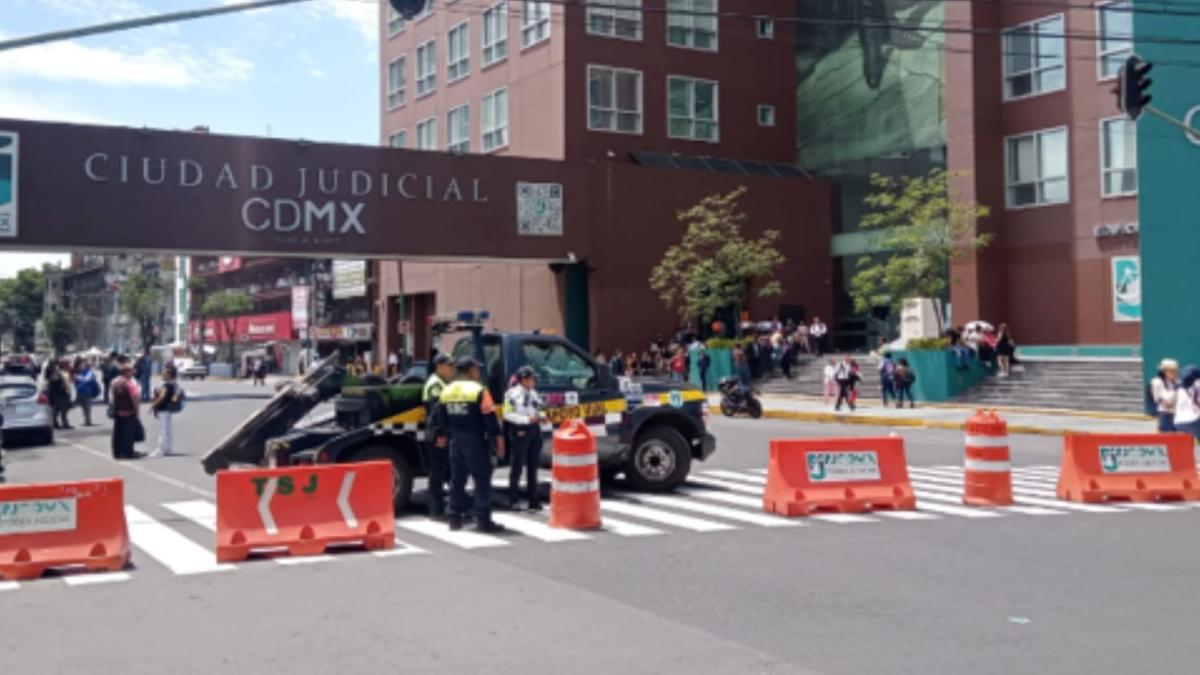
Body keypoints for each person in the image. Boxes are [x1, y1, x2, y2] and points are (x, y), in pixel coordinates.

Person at [432, 357, 505, 533]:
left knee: (457, 480)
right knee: (481, 480)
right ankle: (483, 520)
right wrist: (499, 440)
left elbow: (439, 419)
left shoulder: (447, 390)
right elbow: (490, 419)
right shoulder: (479, 390)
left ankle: (454, 518)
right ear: (471, 370)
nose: (478, 372)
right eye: (476, 368)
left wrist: (441, 435)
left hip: (455, 441)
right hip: (476, 441)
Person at [504, 366, 544, 511]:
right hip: (520, 429)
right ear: (524, 379)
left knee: (533, 466)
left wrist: (542, 416)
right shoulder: (511, 394)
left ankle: (533, 499)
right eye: (532, 378)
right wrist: (527, 420)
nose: (534, 381)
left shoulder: (533, 393)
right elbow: (508, 414)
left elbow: (539, 408)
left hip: (534, 430)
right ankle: (513, 499)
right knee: (517, 466)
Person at [422, 354, 455, 518]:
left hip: (443, 432)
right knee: (437, 473)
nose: (452, 369)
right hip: (438, 433)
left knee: (447, 471)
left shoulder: (443, 383)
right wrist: (441, 434)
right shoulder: (435, 384)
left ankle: (451, 506)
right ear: (439, 366)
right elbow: (437, 412)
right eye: (449, 366)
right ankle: (436, 510)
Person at [110, 358, 145, 460]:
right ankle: (128, 452)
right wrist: (137, 411)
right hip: (129, 411)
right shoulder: (129, 383)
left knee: (118, 433)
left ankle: (117, 452)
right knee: (128, 433)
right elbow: (135, 398)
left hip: (118, 411)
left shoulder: (115, 382)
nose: (132, 373)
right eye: (131, 371)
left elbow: (112, 396)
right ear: (126, 372)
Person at [149, 366, 182, 457]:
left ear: (169, 375)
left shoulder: (167, 385)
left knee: (163, 430)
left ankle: (161, 449)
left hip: (163, 409)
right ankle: (168, 448)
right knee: (167, 430)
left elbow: (162, 397)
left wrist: (153, 405)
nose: (162, 375)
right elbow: (174, 397)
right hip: (168, 409)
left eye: (164, 373)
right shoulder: (173, 384)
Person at [1151, 358, 1180, 433]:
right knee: (1167, 439)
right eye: (1172, 371)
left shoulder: (1177, 382)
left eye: (1175, 371)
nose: (1175, 373)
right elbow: (1167, 401)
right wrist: (1175, 389)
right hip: (1165, 414)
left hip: (1177, 414)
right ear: (1165, 371)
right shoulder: (1157, 382)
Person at [1172, 365, 1200, 441]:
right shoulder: (1197, 384)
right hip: (1195, 419)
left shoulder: (1178, 385)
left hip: (1179, 420)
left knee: (1185, 444)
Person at [43, 361, 73, 430]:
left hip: (56, 395)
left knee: (56, 411)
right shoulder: (62, 374)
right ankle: (64, 423)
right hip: (62, 395)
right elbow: (66, 385)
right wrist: (68, 394)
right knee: (63, 411)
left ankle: (56, 423)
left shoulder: (55, 374)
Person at [73, 358, 100, 427]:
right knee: (83, 407)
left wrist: (78, 377)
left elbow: (87, 379)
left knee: (87, 407)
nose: (83, 366)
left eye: (84, 365)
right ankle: (86, 420)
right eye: (83, 365)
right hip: (81, 392)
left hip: (87, 392)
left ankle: (88, 421)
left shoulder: (90, 372)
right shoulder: (82, 372)